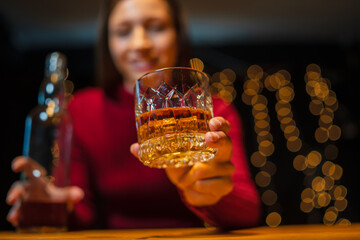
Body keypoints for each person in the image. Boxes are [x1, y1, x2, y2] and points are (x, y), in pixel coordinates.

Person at [7, 0, 261, 230]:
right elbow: (82, 209)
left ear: (178, 36)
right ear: (108, 42)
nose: (140, 44)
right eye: (123, 31)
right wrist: (55, 207)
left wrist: (214, 195)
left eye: (156, 27)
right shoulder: (82, 110)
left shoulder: (213, 110)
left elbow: (249, 213)